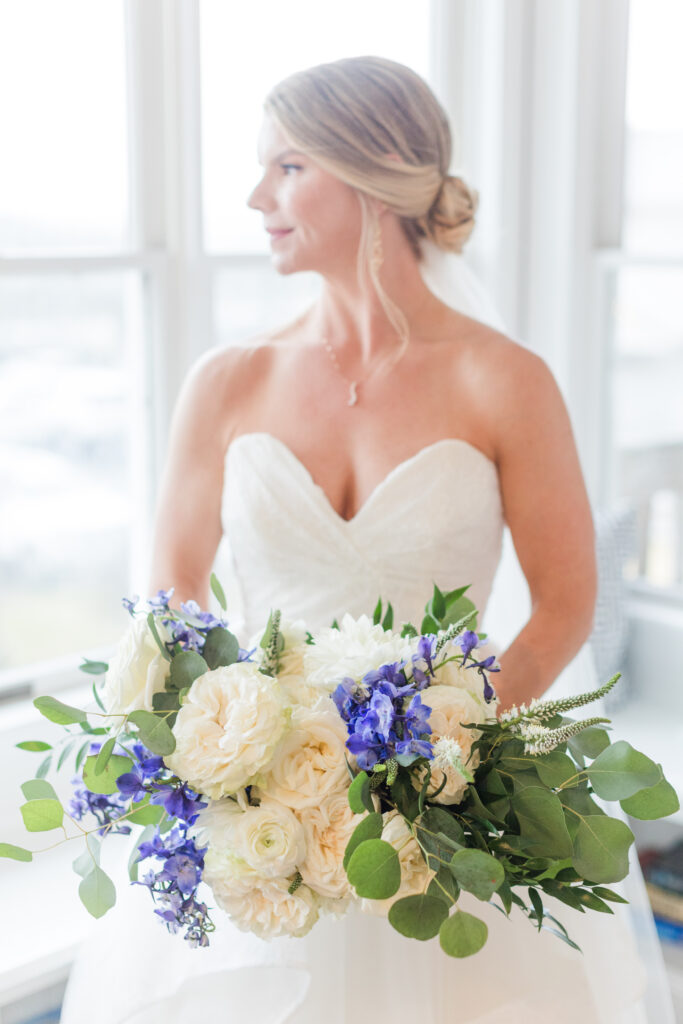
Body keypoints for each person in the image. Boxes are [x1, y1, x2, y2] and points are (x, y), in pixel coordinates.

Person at [60, 56, 673, 1023]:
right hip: (257, 833)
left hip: (448, 826)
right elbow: (175, 593)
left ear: (377, 176)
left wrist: (450, 744)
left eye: (289, 167)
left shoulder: (504, 380)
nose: (258, 195)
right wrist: (243, 758)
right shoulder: (226, 382)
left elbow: (564, 603)